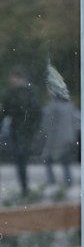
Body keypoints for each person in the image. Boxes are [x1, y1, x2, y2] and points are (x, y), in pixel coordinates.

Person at [1, 65, 41, 197]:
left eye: (12, 78)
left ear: (17, 78)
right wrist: (34, 128)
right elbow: (37, 113)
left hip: (18, 130)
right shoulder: (31, 93)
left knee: (20, 160)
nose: (11, 81)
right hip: (26, 131)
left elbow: (4, 112)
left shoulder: (12, 94)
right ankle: (25, 188)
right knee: (22, 159)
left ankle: (24, 188)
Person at [39, 64, 76, 187]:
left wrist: (43, 136)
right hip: (68, 137)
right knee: (65, 161)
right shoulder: (69, 105)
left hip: (56, 139)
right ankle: (68, 180)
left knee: (47, 159)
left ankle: (52, 180)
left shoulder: (52, 107)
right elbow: (74, 122)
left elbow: (48, 126)